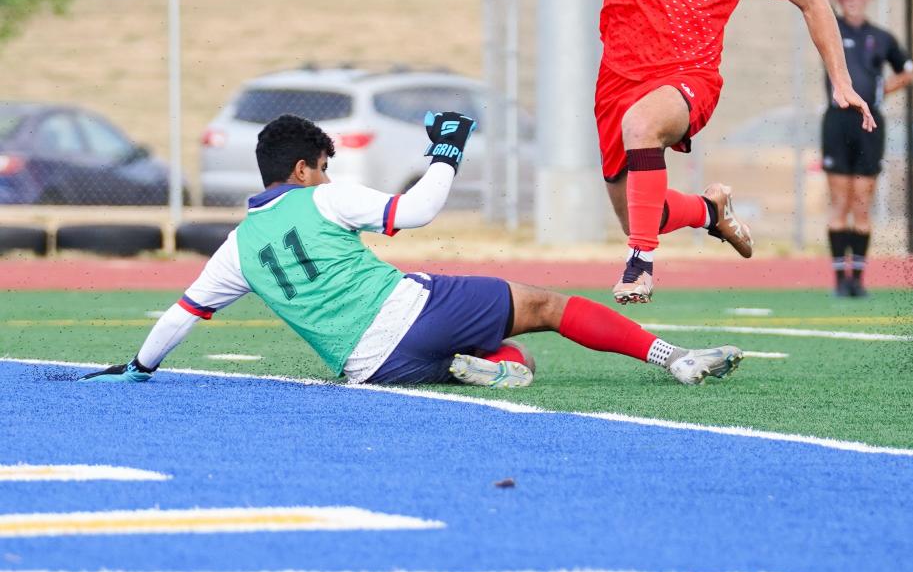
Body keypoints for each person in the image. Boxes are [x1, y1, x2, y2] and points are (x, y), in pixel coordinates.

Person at [81, 113, 742, 388]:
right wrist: (447, 146)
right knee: (546, 303)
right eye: (325, 165)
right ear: (307, 168)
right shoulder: (324, 199)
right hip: (410, 310)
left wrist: (138, 367)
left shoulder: (237, 248)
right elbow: (418, 210)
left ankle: (502, 372)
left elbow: (180, 315)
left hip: (370, 368)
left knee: (515, 354)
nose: (329, 175)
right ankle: (674, 358)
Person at [547, 0, 875, 305]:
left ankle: (641, 266)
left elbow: (814, 3)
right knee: (642, 213)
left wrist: (843, 81)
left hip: (688, 78)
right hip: (617, 76)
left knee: (641, 130)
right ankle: (709, 212)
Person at [812, 0, 913, 297]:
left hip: (869, 125)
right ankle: (840, 278)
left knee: (863, 202)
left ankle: (859, 277)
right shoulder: (833, 27)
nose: (852, 2)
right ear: (841, 1)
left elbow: (908, 71)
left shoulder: (881, 37)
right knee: (839, 200)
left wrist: (877, 94)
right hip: (837, 121)